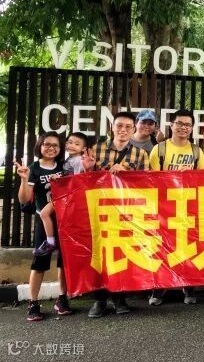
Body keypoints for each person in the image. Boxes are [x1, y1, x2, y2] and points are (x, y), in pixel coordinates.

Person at [81, 111, 150, 318]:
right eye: (119, 125)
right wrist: (88, 169)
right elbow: (84, 182)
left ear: (134, 129)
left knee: (121, 253)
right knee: (100, 254)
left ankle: (120, 297)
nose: (123, 130)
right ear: (112, 127)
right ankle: (100, 300)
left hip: (125, 212)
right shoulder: (96, 149)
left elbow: (147, 184)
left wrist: (129, 174)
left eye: (128, 127)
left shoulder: (140, 154)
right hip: (100, 210)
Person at [148, 109, 204, 306]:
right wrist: (174, 177)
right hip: (163, 207)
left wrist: (190, 176)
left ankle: (189, 287)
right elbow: (152, 180)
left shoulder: (197, 152)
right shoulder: (159, 149)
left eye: (188, 125)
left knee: (188, 248)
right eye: (180, 123)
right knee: (162, 248)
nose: (183, 128)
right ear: (171, 125)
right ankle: (158, 289)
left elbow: (203, 181)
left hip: (187, 207)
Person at [14, 132, 73, 321]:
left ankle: (62, 299)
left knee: (64, 262)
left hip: (64, 220)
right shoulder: (33, 168)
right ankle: (33, 303)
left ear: (60, 148)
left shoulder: (64, 167)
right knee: (40, 262)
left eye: (55, 145)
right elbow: (24, 199)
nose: (51, 148)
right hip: (44, 220)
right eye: (47, 144)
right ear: (39, 146)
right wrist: (24, 179)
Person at [33, 132, 89, 257]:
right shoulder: (70, 159)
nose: (72, 145)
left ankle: (50, 242)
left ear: (84, 148)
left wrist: (60, 180)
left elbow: (76, 180)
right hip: (65, 196)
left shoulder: (78, 161)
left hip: (69, 197)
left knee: (44, 213)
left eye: (77, 144)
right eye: (70, 142)